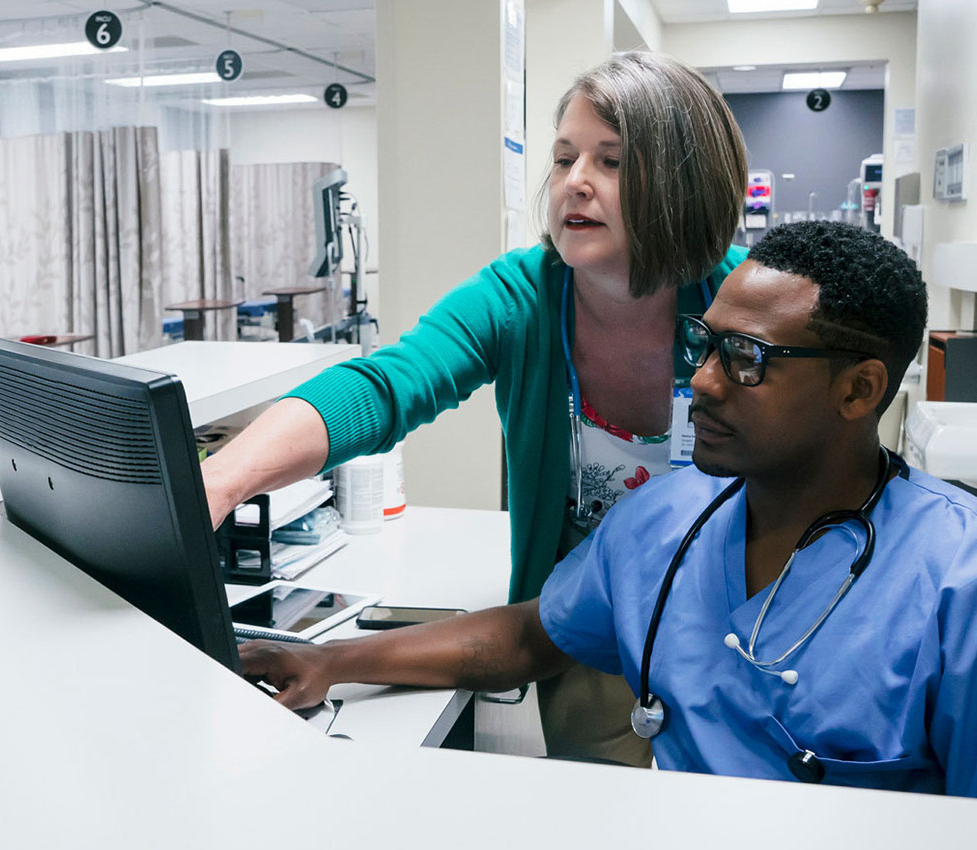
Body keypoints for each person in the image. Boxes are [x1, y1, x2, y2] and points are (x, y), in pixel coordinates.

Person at [241, 222, 977, 808]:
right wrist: (334, 661)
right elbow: (531, 638)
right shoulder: (671, 516)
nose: (699, 382)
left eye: (745, 360)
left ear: (858, 389)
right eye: (704, 345)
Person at [200, 51, 749, 765]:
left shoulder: (743, 307)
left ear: (682, 183)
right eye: (563, 158)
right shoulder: (520, 298)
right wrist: (218, 481)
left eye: (610, 162)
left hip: (731, 627)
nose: (574, 182)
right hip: (580, 630)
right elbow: (386, 385)